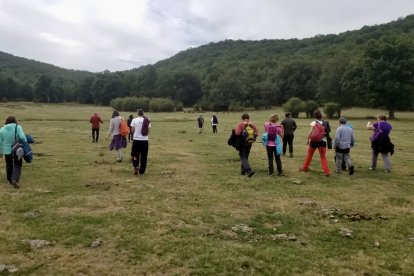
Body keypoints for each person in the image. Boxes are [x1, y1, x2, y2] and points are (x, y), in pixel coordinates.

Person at [300, 110, 330, 176]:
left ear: (315, 116)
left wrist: (308, 139)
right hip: (322, 141)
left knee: (309, 155)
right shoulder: (326, 122)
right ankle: (326, 172)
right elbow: (328, 132)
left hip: (314, 141)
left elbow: (310, 132)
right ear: (321, 115)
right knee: (323, 156)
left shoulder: (314, 122)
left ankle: (304, 168)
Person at [0, 116, 28, 189]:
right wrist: (26, 143)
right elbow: (22, 137)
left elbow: (0, 142)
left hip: (7, 151)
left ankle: (9, 180)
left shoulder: (2, 129)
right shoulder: (18, 127)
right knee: (17, 165)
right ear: (15, 121)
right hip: (17, 149)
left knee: (9, 165)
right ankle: (15, 180)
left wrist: (0, 152)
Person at [235, 113, 258, 177]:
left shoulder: (240, 124)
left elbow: (237, 133)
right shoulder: (252, 124)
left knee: (243, 157)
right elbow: (257, 133)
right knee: (246, 156)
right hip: (249, 142)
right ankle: (243, 171)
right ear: (248, 118)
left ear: (242, 118)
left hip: (242, 143)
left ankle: (249, 170)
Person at [130, 109, 151, 175]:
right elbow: (148, 131)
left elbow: (132, 130)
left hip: (136, 140)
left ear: (137, 113)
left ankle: (136, 166)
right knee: (144, 156)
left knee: (135, 155)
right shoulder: (147, 120)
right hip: (145, 141)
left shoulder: (134, 120)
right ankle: (142, 171)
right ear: (143, 113)